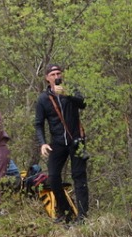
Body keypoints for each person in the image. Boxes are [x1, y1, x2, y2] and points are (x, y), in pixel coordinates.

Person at [34, 64, 88, 223]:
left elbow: (83, 103)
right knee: (53, 177)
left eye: (59, 73)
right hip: (57, 142)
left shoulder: (71, 90)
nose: (57, 76)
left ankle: (82, 216)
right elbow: (38, 123)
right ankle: (66, 213)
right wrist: (42, 143)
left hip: (76, 140)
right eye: (53, 74)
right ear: (47, 78)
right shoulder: (43, 99)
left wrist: (67, 94)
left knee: (79, 176)